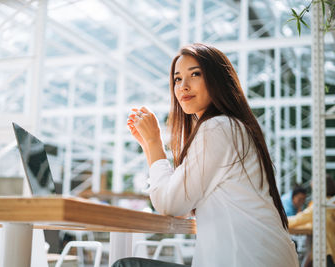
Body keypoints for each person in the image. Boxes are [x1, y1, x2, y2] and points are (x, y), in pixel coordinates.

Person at [115, 43, 298, 267]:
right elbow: (181, 200)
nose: (183, 86)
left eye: (195, 74)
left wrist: (154, 142)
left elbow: (170, 203)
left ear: (217, 80)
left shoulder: (217, 128)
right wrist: (148, 144)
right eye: (177, 79)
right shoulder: (232, 127)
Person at [288, 175, 335, 267]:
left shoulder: (320, 206)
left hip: (326, 251)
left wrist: (276, 221)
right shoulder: (330, 203)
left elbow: (298, 220)